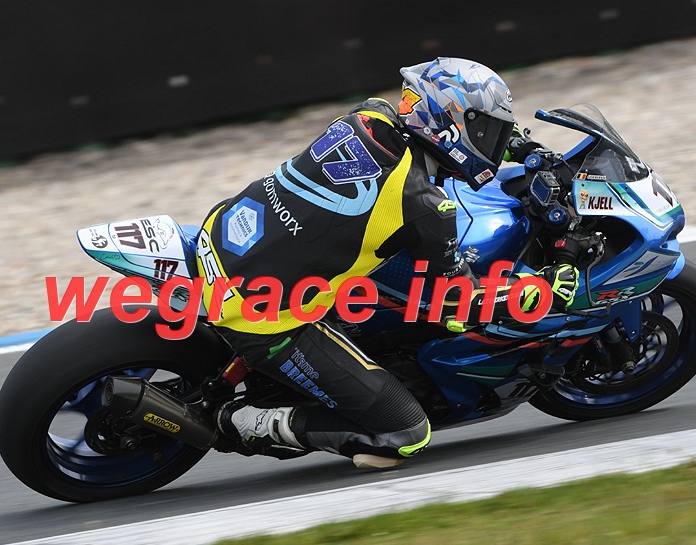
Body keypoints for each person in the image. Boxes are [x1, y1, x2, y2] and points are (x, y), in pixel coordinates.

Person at [194, 57, 579, 469]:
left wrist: (515, 143)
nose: (492, 142)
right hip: (260, 313)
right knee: (405, 436)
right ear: (450, 125)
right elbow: (459, 306)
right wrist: (539, 291)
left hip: (223, 234)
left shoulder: (366, 116)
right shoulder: (423, 204)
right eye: (486, 131)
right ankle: (242, 421)